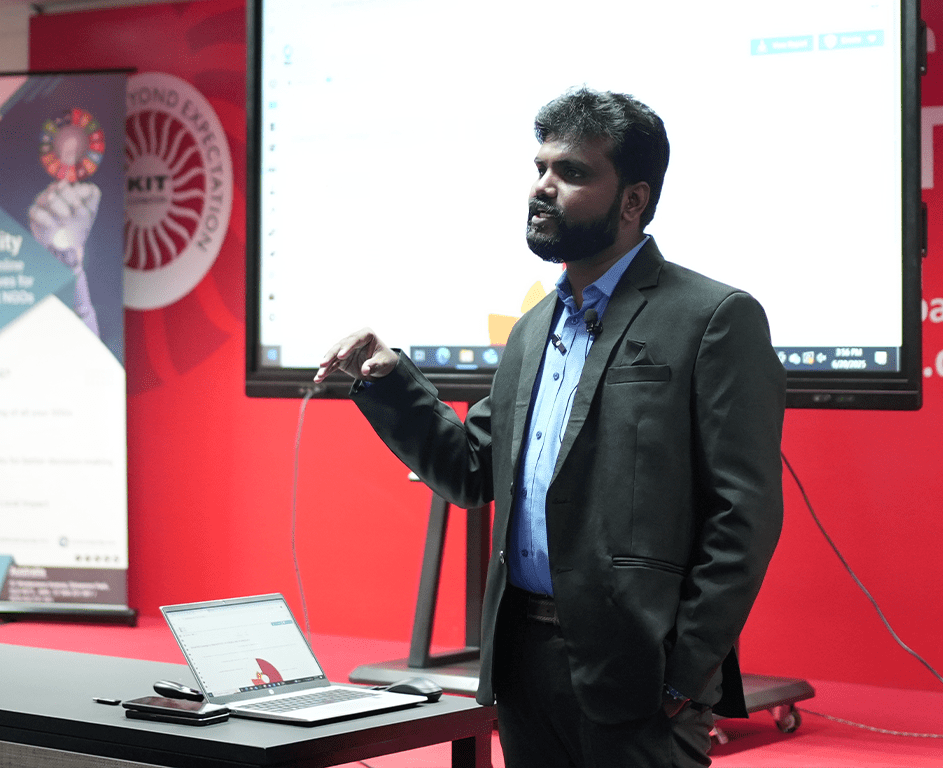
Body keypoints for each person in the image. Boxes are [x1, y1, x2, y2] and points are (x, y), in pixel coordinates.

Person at [314, 87, 785, 767]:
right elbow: (470, 469)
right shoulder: (534, 328)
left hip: (641, 670)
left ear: (633, 200)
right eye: (540, 168)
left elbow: (744, 515)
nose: (543, 187)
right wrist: (390, 382)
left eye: (572, 172)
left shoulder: (713, 318)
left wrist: (686, 670)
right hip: (522, 664)